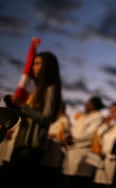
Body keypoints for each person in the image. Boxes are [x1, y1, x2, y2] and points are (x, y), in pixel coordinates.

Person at [5, 51, 63, 187]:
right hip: (22, 142)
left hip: (32, 146)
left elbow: (46, 118)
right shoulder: (37, 90)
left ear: (47, 67)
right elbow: (29, 115)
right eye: (33, 64)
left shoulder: (50, 89)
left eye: (37, 64)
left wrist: (23, 105)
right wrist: (15, 106)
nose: (33, 67)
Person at [62, 95, 105, 187]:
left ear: (93, 105)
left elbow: (90, 135)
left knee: (79, 182)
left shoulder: (98, 116)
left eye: (88, 103)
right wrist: (67, 136)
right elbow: (72, 130)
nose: (85, 105)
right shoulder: (82, 117)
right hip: (71, 152)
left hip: (82, 154)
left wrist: (73, 139)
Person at [91, 101, 116, 187]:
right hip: (104, 161)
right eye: (111, 111)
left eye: (115, 110)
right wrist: (105, 124)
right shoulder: (111, 126)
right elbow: (98, 136)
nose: (112, 113)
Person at [40, 101, 72, 187]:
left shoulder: (64, 120)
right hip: (48, 149)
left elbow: (63, 136)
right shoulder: (54, 120)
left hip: (55, 151)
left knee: (51, 174)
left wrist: (49, 134)